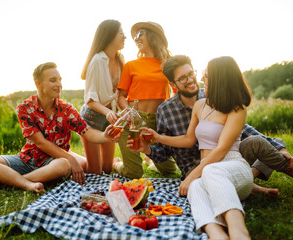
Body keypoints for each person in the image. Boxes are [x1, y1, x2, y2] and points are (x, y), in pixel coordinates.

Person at [136, 55, 292, 196]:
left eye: (191, 74)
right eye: (183, 78)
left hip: (225, 158)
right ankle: (248, 184)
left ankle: (248, 180)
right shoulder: (166, 110)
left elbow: (242, 129)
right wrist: (146, 149)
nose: (190, 80)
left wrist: (278, 147)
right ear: (172, 84)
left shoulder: (213, 95)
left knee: (272, 142)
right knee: (217, 174)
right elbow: (164, 152)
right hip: (194, 169)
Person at [136, 56, 253, 239]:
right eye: (183, 77)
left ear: (218, 80)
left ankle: (239, 231)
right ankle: (216, 233)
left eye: (201, 74)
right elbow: (189, 140)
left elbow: (222, 149)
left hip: (230, 165)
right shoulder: (200, 105)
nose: (196, 79)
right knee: (195, 188)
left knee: (207, 173)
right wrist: (157, 138)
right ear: (173, 83)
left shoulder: (237, 109)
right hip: (209, 171)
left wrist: (191, 175)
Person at [0, 62, 121, 193]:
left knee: (64, 164)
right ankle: (24, 183)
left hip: (53, 163)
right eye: (53, 80)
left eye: (59, 80)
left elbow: (87, 132)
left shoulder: (67, 109)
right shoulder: (24, 108)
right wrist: (71, 158)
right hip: (27, 159)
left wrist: (105, 136)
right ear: (38, 84)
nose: (59, 84)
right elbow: (40, 143)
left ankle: (5, 183)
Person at [113, 21, 177, 179]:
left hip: (158, 123)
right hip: (133, 122)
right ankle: (117, 164)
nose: (136, 38)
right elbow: (121, 96)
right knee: (133, 174)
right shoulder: (131, 65)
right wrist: (129, 113)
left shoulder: (168, 64)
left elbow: (177, 92)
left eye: (140, 34)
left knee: (169, 170)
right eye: (135, 35)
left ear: (153, 37)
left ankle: (151, 161)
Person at [80, 19, 125, 175]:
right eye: (121, 33)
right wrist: (108, 113)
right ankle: (72, 161)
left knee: (106, 170)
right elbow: (90, 100)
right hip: (91, 119)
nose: (124, 37)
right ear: (110, 36)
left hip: (108, 119)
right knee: (95, 173)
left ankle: (111, 163)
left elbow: (120, 94)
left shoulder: (120, 59)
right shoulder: (97, 60)